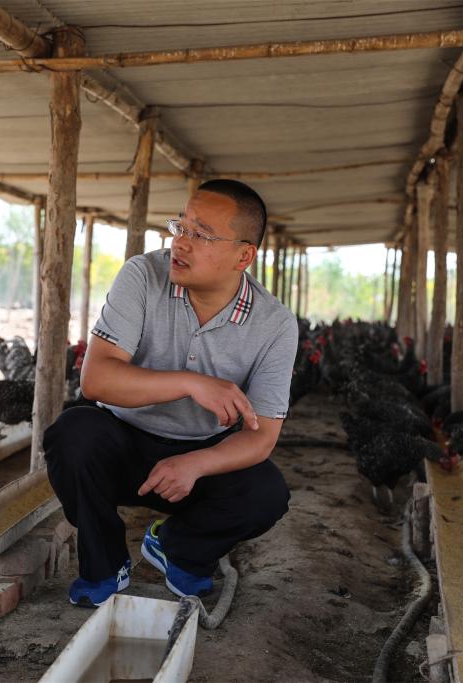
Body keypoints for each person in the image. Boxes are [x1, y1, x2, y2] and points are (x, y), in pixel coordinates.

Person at [45, 179, 297, 607]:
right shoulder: (143, 276)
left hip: (202, 454)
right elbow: (96, 380)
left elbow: (262, 436)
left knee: (267, 493)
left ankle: (179, 547)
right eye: (181, 227)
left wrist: (196, 463)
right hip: (123, 443)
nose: (181, 242)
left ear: (244, 256)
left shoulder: (274, 324)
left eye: (201, 234)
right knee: (73, 434)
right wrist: (190, 382)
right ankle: (105, 564)